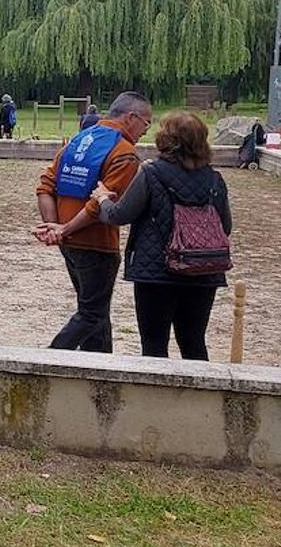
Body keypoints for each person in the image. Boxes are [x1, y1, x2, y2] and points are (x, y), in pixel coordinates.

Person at [91, 111, 232, 360]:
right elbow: (225, 227)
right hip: (203, 269)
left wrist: (102, 199)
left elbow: (119, 215)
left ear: (166, 140)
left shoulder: (151, 173)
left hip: (157, 273)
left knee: (154, 344)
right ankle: (200, 395)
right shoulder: (214, 179)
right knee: (194, 342)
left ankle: (155, 399)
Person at [31, 91, 151, 353]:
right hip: (97, 245)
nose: (146, 130)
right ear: (132, 117)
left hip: (69, 243)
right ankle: (48, 361)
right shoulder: (125, 153)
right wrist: (63, 229)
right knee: (93, 313)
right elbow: (100, 204)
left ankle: (100, 372)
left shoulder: (77, 141)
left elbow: (45, 187)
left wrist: (57, 228)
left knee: (97, 312)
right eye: (147, 123)